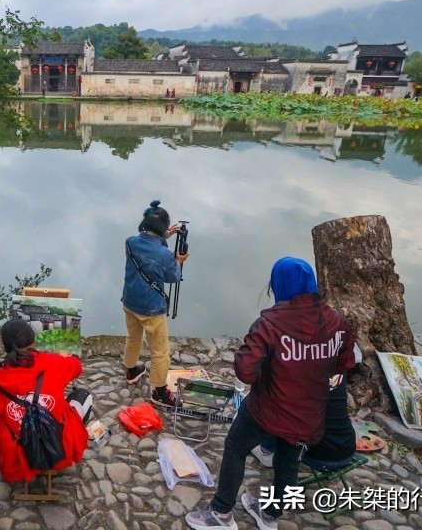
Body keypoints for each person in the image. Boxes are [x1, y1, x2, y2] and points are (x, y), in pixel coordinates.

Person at [186, 257, 355, 530]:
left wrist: (270, 377)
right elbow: (344, 364)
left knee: (235, 447)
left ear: (278, 285)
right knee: (287, 463)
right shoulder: (337, 322)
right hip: (309, 412)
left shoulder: (270, 323)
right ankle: (270, 516)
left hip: (268, 408)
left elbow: (245, 370)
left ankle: (220, 513)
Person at [0, 320, 91, 484]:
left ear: (6, 347)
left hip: (18, 451)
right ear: (32, 341)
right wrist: (64, 357)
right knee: (82, 396)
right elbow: (77, 367)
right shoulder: (53, 362)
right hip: (57, 443)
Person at [122, 200, 189, 408]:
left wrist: (163, 238)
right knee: (160, 351)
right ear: (162, 229)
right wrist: (179, 261)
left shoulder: (130, 242)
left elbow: (148, 249)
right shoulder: (165, 255)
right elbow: (173, 277)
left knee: (133, 337)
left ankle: (132, 371)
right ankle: (159, 392)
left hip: (129, 301)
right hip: (151, 308)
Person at [251, 376, 356, 470]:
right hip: (347, 447)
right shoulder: (337, 361)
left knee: (275, 399)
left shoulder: (300, 369)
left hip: (319, 454)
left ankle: (267, 451)